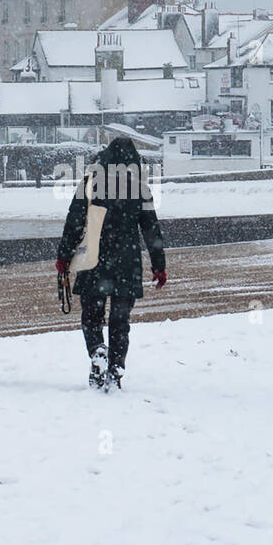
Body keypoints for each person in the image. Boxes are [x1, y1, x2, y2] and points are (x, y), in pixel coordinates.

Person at [55, 138, 166, 392]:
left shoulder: (90, 184)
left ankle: (97, 351)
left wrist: (63, 256)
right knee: (120, 321)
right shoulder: (141, 189)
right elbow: (152, 231)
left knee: (91, 317)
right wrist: (159, 266)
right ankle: (115, 369)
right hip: (127, 264)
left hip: (95, 260)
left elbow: (73, 223)